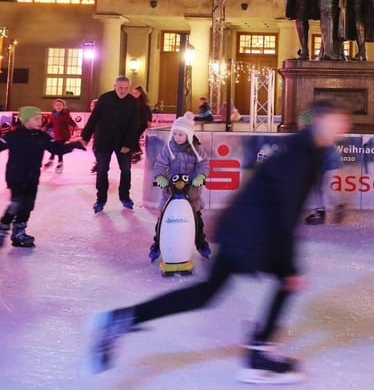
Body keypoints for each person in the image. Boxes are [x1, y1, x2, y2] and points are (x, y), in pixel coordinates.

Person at [85, 100, 352, 383]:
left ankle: (121, 319)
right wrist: (288, 266)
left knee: (207, 293)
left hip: (245, 229)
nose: (344, 127)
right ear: (321, 123)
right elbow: (283, 212)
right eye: (338, 121)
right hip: (252, 234)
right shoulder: (300, 157)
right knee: (284, 281)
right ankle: (259, 351)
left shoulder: (307, 151)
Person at [0, 106, 85, 249]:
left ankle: (19, 233)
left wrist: (74, 145)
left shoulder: (42, 136)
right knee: (16, 203)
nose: (40, 121)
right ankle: (3, 228)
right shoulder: (14, 136)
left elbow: (57, 148)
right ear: (26, 120)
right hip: (15, 176)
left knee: (27, 205)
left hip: (32, 177)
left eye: (41, 119)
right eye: (36, 119)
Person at [148, 112, 211, 263]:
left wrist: (200, 176)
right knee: (163, 219)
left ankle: (201, 243)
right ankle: (157, 244)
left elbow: (204, 164)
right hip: (171, 192)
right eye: (175, 134)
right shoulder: (168, 149)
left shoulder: (196, 149)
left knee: (196, 220)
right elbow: (160, 164)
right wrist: (161, 177)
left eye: (181, 134)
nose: (177, 137)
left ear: (188, 135)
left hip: (191, 192)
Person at [81, 76, 140, 213]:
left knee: (125, 170)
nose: (123, 91)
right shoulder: (105, 98)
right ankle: (100, 200)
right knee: (102, 170)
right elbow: (94, 118)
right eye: (120, 87)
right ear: (115, 86)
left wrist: (128, 144)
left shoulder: (132, 102)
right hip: (103, 141)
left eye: (126, 88)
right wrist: (85, 136)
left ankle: (125, 197)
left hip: (123, 142)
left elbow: (133, 125)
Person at [44, 98, 77, 172]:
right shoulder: (53, 114)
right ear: (54, 106)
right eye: (57, 105)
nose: (58, 106)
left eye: (60, 105)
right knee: (55, 147)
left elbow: (70, 121)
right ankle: (52, 161)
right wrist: (45, 127)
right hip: (56, 135)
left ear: (63, 106)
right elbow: (51, 123)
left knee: (59, 149)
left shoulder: (65, 114)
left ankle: (58, 162)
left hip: (64, 135)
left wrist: (75, 126)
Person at [131, 86, 153, 164]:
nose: (134, 94)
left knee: (134, 136)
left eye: (136, 93)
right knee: (133, 137)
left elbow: (149, 112)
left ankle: (137, 152)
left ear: (140, 93)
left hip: (142, 123)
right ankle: (136, 152)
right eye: (133, 93)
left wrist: (149, 121)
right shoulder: (133, 101)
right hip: (136, 123)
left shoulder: (142, 102)